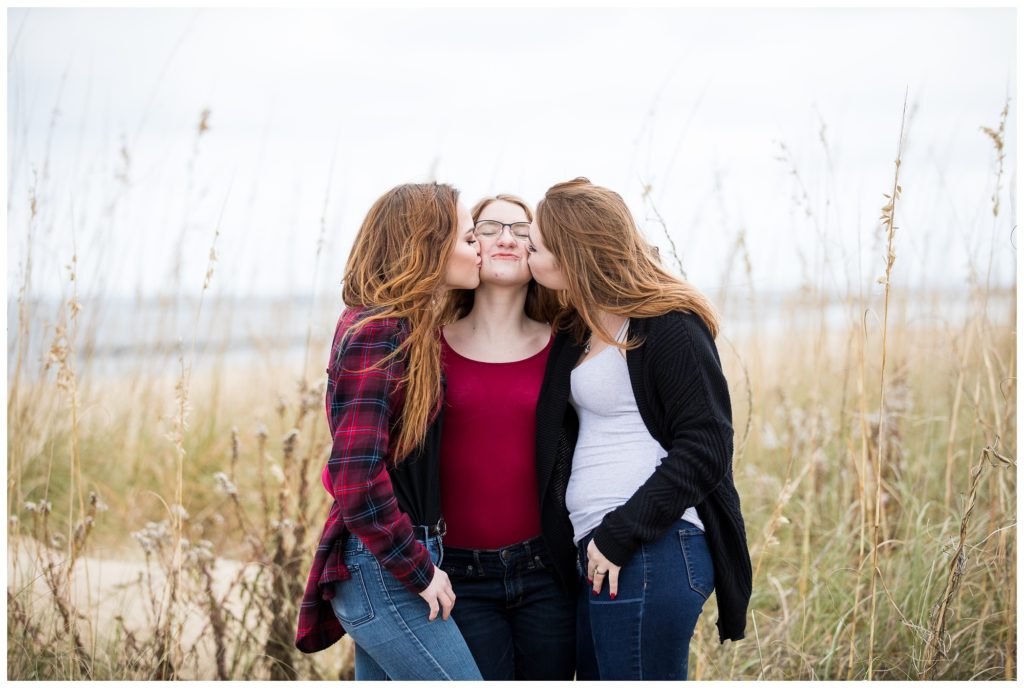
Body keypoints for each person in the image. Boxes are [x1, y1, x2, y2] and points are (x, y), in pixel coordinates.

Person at [527, 177, 752, 681]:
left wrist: (620, 533)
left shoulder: (667, 322)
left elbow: (707, 445)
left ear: (570, 254)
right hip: (606, 548)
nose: (525, 252)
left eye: (534, 244)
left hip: (652, 546)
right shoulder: (581, 326)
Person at [295, 182, 484, 681]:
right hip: (387, 566)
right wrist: (419, 570)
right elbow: (355, 478)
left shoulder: (404, 328)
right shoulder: (380, 331)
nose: (480, 248)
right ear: (428, 246)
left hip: (392, 558)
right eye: (469, 239)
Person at [436, 194, 576, 680]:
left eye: (522, 231)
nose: (506, 239)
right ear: (470, 244)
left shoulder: (567, 347)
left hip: (546, 570)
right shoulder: (429, 345)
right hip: (457, 577)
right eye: (491, 227)